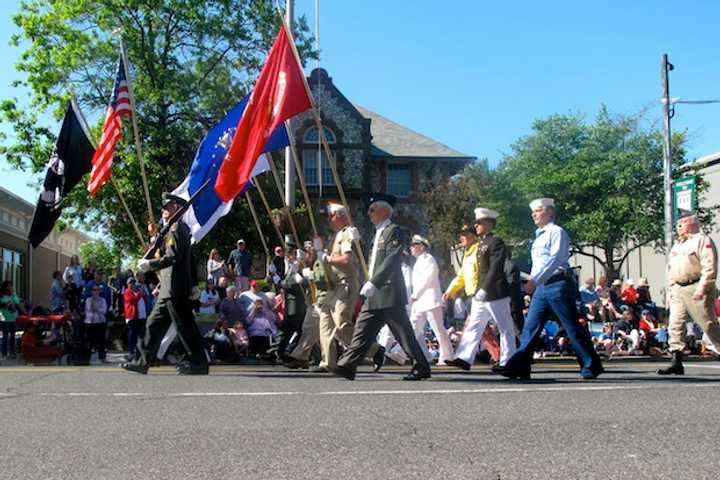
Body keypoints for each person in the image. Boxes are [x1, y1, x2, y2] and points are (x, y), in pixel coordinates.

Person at [498, 198, 603, 380]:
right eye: (533, 212)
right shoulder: (539, 236)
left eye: (538, 211)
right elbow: (539, 264)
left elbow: (556, 259)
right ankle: (520, 366)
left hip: (557, 284)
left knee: (570, 326)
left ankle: (590, 365)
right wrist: (532, 280)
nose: (534, 214)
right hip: (542, 286)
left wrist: (535, 280)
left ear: (549, 212)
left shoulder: (557, 232)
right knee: (530, 327)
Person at [330, 194, 431, 381]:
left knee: (403, 334)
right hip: (374, 294)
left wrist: (374, 283)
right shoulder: (376, 234)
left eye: (372, 210)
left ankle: (421, 366)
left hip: (388, 291)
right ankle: (348, 365)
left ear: (384, 210)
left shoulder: (394, 231)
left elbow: (392, 260)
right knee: (361, 330)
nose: (369, 214)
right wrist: (357, 242)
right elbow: (370, 261)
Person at [122, 192, 209, 375]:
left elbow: (173, 257)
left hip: (175, 289)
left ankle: (198, 363)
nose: (163, 210)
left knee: (185, 328)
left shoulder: (177, 228)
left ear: (176, 208)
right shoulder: (172, 229)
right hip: (169, 289)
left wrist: (150, 265)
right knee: (153, 325)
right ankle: (141, 361)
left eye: (167, 207)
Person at [314, 202, 384, 373]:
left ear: (342, 216)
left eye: (332, 215)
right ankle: (327, 362)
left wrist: (327, 259)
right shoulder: (336, 236)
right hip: (332, 286)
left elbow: (347, 261)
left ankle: (373, 349)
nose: (329, 219)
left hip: (345, 284)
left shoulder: (346, 234)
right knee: (326, 325)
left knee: (341, 324)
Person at [445, 208, 516, 371]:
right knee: (474, 325)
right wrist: (478, 290)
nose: (476, 225)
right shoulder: (482, 243)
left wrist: (484, 288)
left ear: (490, 223)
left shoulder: (496, 242)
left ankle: (508, 361)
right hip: (480, 293)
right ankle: (464, 357)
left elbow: (495, 267)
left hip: (495, 292)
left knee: (505, 327)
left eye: (479, 222)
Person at [658, 211, 720, 375]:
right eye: (678, 225)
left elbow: (709, 266)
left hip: (696, 286)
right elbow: (671, 270)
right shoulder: (678, 245)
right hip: (678, 288)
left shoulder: (702, 240)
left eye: (682, 224)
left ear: (692, 223)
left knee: (708, 323)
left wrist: (703, 288)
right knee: (675, 324)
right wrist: (671, 290)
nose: (678, 227)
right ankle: (676, 360)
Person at [408, 234, 454, 364]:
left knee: (438, 330)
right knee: (412, 328)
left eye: (414, 245)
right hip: (420, 302)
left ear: (421, 247)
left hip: (430, 301)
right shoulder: (419, 261)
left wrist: (416, 294)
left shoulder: (428, 259)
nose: (411, 248)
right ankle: (400, 353)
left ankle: (447, 356)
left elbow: (428, 279)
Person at [84, 284, 108, 363]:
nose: (96, 292)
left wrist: (96, 308)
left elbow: (104, 311)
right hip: (90, 323)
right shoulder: (88, 300)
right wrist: (96, 308)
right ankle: (86, 358)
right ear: (91, 291)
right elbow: (89, 310)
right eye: (94, 290)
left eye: (97, 290)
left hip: (100, 322)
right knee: (89, 342)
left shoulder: (103, 300)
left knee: (101, 341)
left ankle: (102, 358)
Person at [1, 280, 24, 359]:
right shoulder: (2, 296)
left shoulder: (12, 295)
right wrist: (5, 305)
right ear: (5, 287)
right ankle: (4, 353)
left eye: (11, 286)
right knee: (5, 337)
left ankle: (12, 352)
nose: (10, 287)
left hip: (13, 318)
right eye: (9, 286)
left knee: (12, 336)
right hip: (5, 319)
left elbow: (17, 302)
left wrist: (13, 294)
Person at [123, 277, 146, 358]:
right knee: (132, 335)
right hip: (131, 316)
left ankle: (137, 351)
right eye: (130, 283)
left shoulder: (135, 291)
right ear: (127, 284)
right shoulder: (127, 292)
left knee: (139, 335)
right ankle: (131, 351)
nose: (132, 284)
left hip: (139, 317)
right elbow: (132, 300)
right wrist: (140, 294)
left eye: (133, 282)